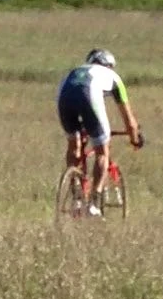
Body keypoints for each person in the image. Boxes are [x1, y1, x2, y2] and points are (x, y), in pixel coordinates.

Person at [56, 47, 141, 215]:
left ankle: (77, 199)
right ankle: (94, 203)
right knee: (102, 150)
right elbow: (128, 119)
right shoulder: (113, 77)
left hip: (64, 95)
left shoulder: (76, 71)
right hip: (90, 94)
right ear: (110, 65)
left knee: (74, 145)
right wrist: (134, 138)